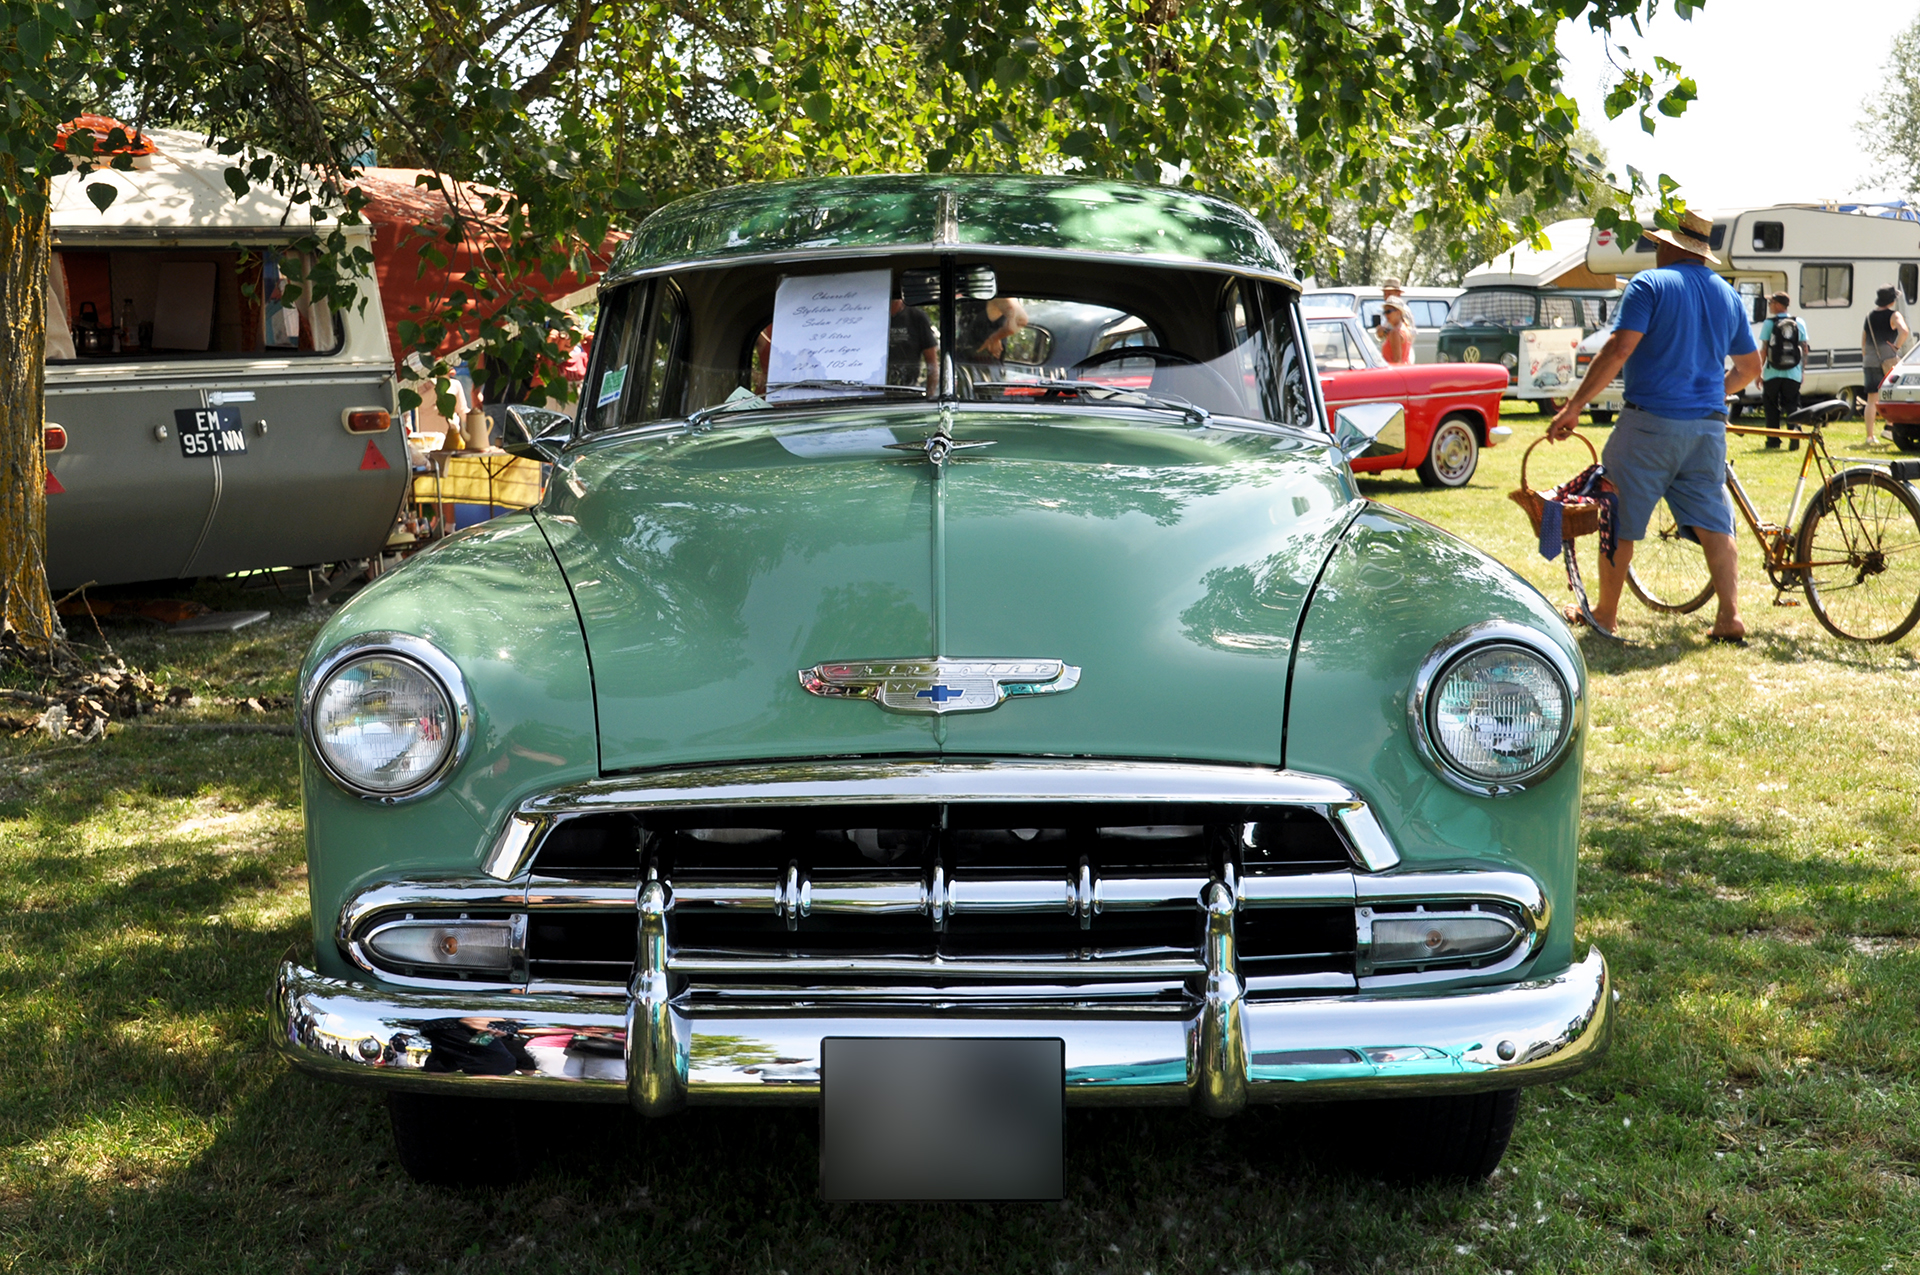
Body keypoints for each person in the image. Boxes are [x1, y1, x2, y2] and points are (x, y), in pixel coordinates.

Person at [1548, 210, 1763, 642]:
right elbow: (1750, 367)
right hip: (1707, 429)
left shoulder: (1649, 284)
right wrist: (1714, 393)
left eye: (1657, 243)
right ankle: (1730, 616)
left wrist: (1574, 405)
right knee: (1715, 524)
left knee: (1616, 513)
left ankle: (1606, 614)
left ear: (1669, 246)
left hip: (1649, 425)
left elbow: (1619, 348)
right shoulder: (1727, 295)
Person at [1756, 292, 1809, 450]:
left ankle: (1773, 441)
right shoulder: (1799, 322)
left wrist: (1759, 372)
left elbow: (1764, 350)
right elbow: (1804, 349)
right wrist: (1802, 371)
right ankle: (1794, 439)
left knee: (1772, 407)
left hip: (1772, 373)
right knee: (1793, 406)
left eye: (1771, 302)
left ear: (1779, 304)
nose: (1770, 305)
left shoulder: (1769, 323)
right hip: (1793, 372)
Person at [1862, 285, 1910, 447]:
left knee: (1871, 399)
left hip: (1870, 360)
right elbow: (1904, 331)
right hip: (1887, 360)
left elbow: (1863, 341)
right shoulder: (1894, 315)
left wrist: (1867, 357)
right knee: (1891, 395)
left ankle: (1869, 436)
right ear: (1891, 300)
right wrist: (1896, 346)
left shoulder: (1869, 316)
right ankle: (1889, 428)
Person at [1374, 295, 1416, 366]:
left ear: (1398, 312)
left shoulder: (1395, 332)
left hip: (1395, 372)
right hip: (1405, 369)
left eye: (1389, 311)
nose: (1386, 315)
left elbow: (1397, 360)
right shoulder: (1405, 328)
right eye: (1385, 312)